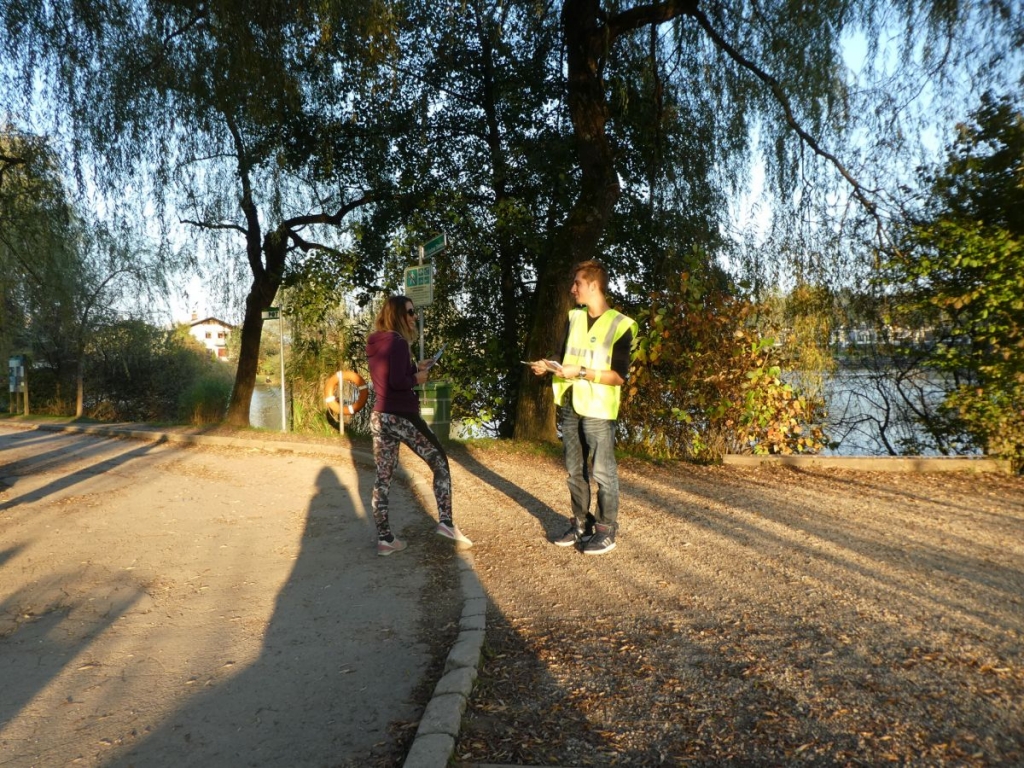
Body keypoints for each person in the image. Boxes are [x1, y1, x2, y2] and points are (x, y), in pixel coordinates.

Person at [531, 260, 637, 555]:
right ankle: (581, 523)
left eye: (577, 283)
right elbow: (562, 355)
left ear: (593, 285)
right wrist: (548, 365)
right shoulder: (573, 318)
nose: (572, 288)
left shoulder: (621, 324)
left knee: (603, 473)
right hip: (571, 403)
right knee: (573, 471)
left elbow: (618, 376)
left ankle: (606, 529)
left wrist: (579, 372)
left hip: (599, 409)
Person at [366, 295, 472, 556]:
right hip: (402, 415)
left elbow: (388, 375)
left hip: (380, 416)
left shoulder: (376, 341)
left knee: (383, 476)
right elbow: (398, 382)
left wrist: (414, 367)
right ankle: (446, 523)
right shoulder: (398, 342)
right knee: (440, 462)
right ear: (398, 315)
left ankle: (385, 539)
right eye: (410, 312)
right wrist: (418, 378)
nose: (415, 317)